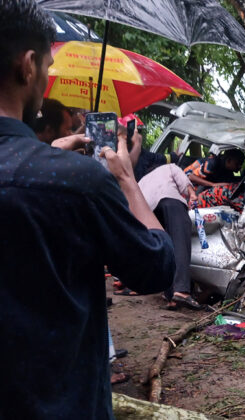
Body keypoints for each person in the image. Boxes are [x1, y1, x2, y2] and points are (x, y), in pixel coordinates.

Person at [0, 2, 176, 418]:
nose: (45, 83)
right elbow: (156, 266)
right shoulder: (75, 183)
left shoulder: (62, 177)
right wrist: (126, 180)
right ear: (27, 66)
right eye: (46, 67)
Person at [138, 163, 201, 310]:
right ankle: (181, 291)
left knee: (166, 250)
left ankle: (170, 296)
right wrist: (192, 195)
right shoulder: (170, 167)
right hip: (169, 200)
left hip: (148, 212)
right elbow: (184, 181)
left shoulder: (141, 181)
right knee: (179, 243)